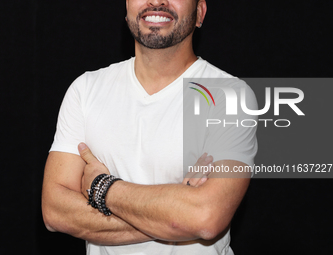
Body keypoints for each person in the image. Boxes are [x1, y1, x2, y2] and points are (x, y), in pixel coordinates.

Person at [41, 0, 258, 254]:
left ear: (199, 13)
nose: (156, 2)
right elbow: (55, 211)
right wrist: (176, 214)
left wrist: (102, 187)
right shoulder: (85, 90)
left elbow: (207, 217)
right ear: (126, 8)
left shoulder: (230, 96)